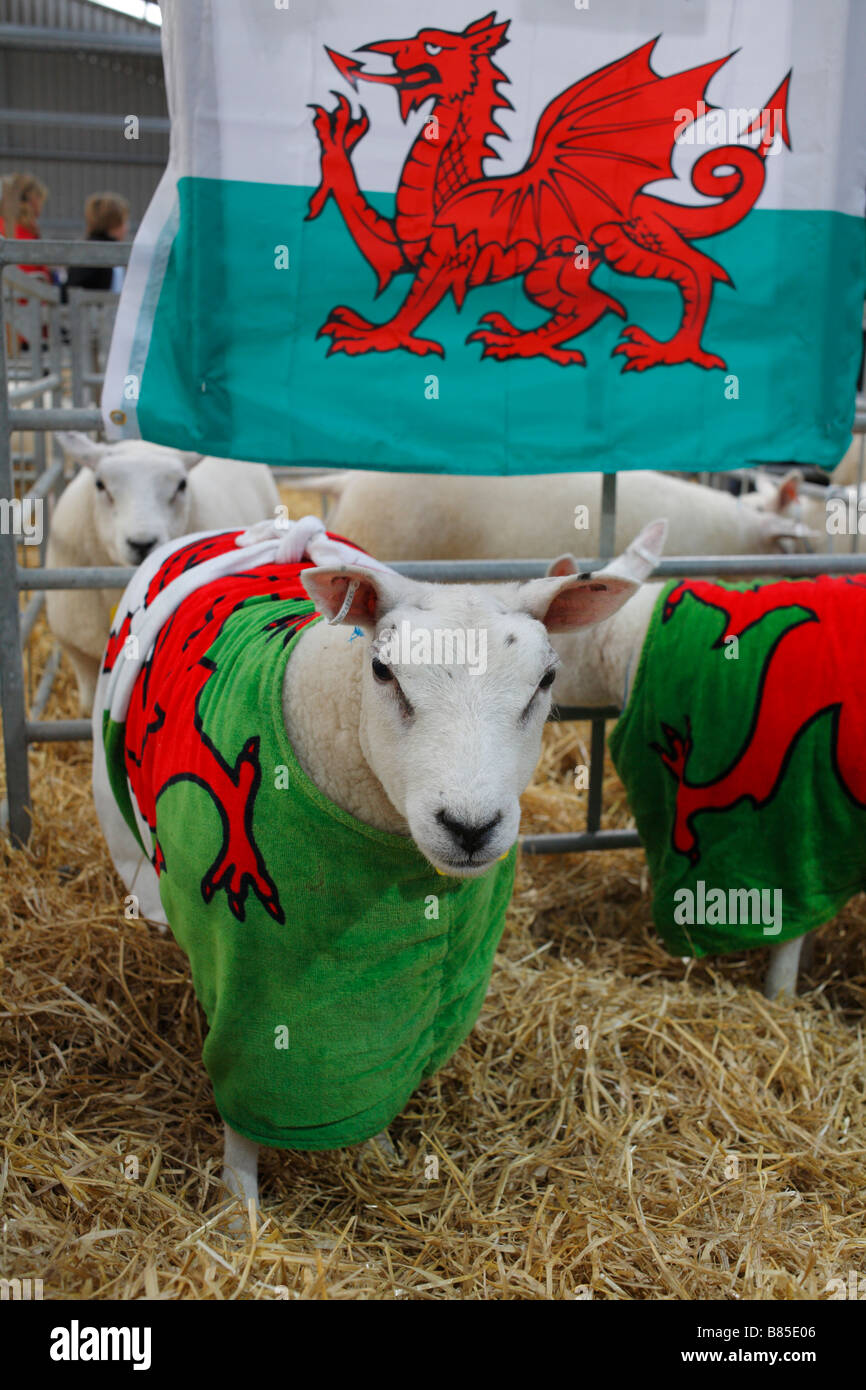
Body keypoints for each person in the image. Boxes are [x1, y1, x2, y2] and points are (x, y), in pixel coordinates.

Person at [66, 192, 130, 292]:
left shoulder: (83, 249)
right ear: (113, 223)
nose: (126, 228)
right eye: (123, 222)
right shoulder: (109, 254)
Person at [0, 172, 51, 281]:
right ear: (33, 200)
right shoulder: (20, 230)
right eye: (40, 199)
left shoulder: (9, 225)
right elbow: (24, 273)